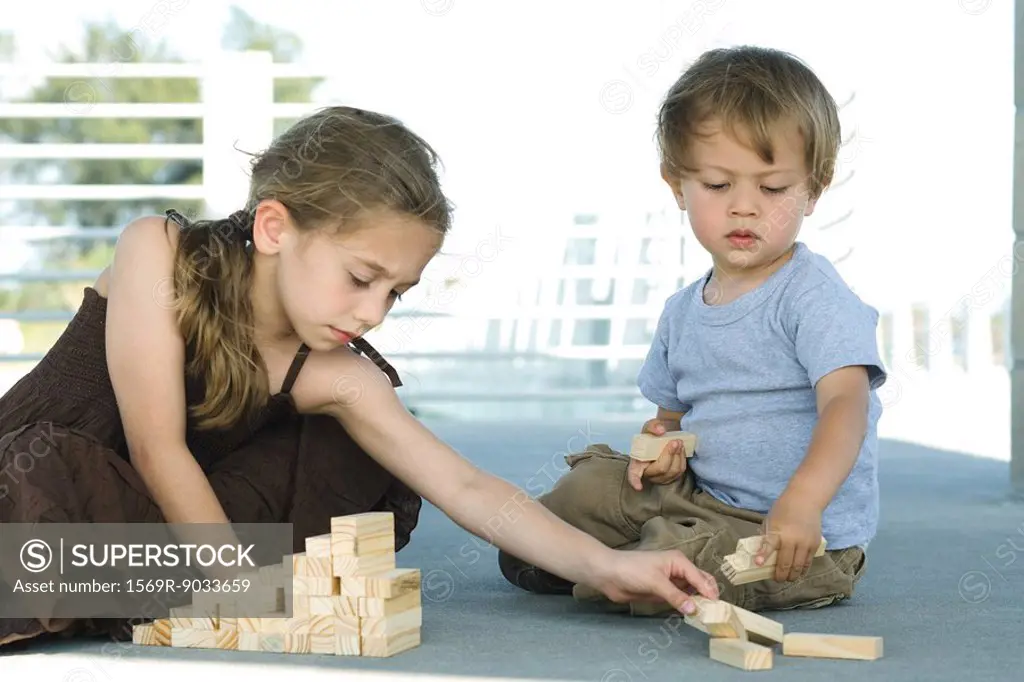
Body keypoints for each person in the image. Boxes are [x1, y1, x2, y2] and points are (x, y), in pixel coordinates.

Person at [0, 106, 719, 648]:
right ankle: (108, 578)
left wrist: (605, 567)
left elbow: (468, 487)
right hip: (63, 479)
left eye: (395, 293)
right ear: (276, 229)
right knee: (46, 498)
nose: (373, 312)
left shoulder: (337, 371)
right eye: (360, 278)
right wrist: (242, 594)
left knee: (346, 448)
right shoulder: (157, 252)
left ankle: (112, 583)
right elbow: (157, 449)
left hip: (175, 529)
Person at [498, 45, 887, 615]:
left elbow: (846, 408)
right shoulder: (683, 310)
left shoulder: (814, 296)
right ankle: (583, 550)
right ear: (677, 185)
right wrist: (662, 451)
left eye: (773, 188)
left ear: (815, 187)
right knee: (587, 489)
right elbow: (671, 421)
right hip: (701, 496)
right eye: (717, 185)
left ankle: (615, 565)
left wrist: (802, 502)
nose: (745, 208)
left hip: (795, 536)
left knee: (686, 556)